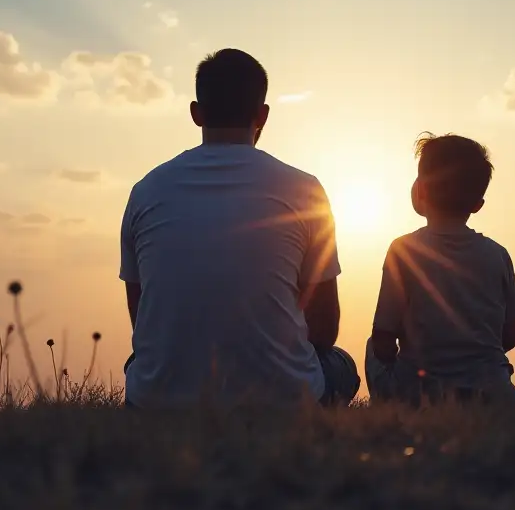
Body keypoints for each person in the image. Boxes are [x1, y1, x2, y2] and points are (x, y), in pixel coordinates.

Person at [120, 48, 360, 407]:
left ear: (196, 114)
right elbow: (324, 330)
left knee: (136, 363)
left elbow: (143, 323)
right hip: (283, 400)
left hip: (158, 401)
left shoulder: (145, 191)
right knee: (342, 366)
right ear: (261, 115)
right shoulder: (306, 190)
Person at [366, 133, 515, 405]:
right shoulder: (498, 255)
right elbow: (508, 337)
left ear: (421, 190)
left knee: (370, 347)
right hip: (492, 396)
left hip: (421, 395)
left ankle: (389, 405)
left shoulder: (403, 251)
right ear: (477, 205)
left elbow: (382, 339)